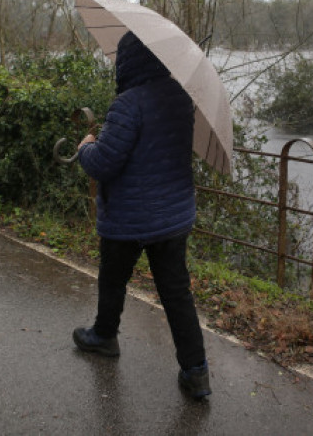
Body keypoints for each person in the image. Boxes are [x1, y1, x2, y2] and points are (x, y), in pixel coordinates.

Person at [72, 30, 211, 400]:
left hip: (129, 218)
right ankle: (196, 373)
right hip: (173, 216)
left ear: (130, 61)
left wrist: (86, 147)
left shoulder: (127, 103)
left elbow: (104, 163)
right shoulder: (182, 98)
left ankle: (104, 336)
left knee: (113, 280)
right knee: (177, 294)